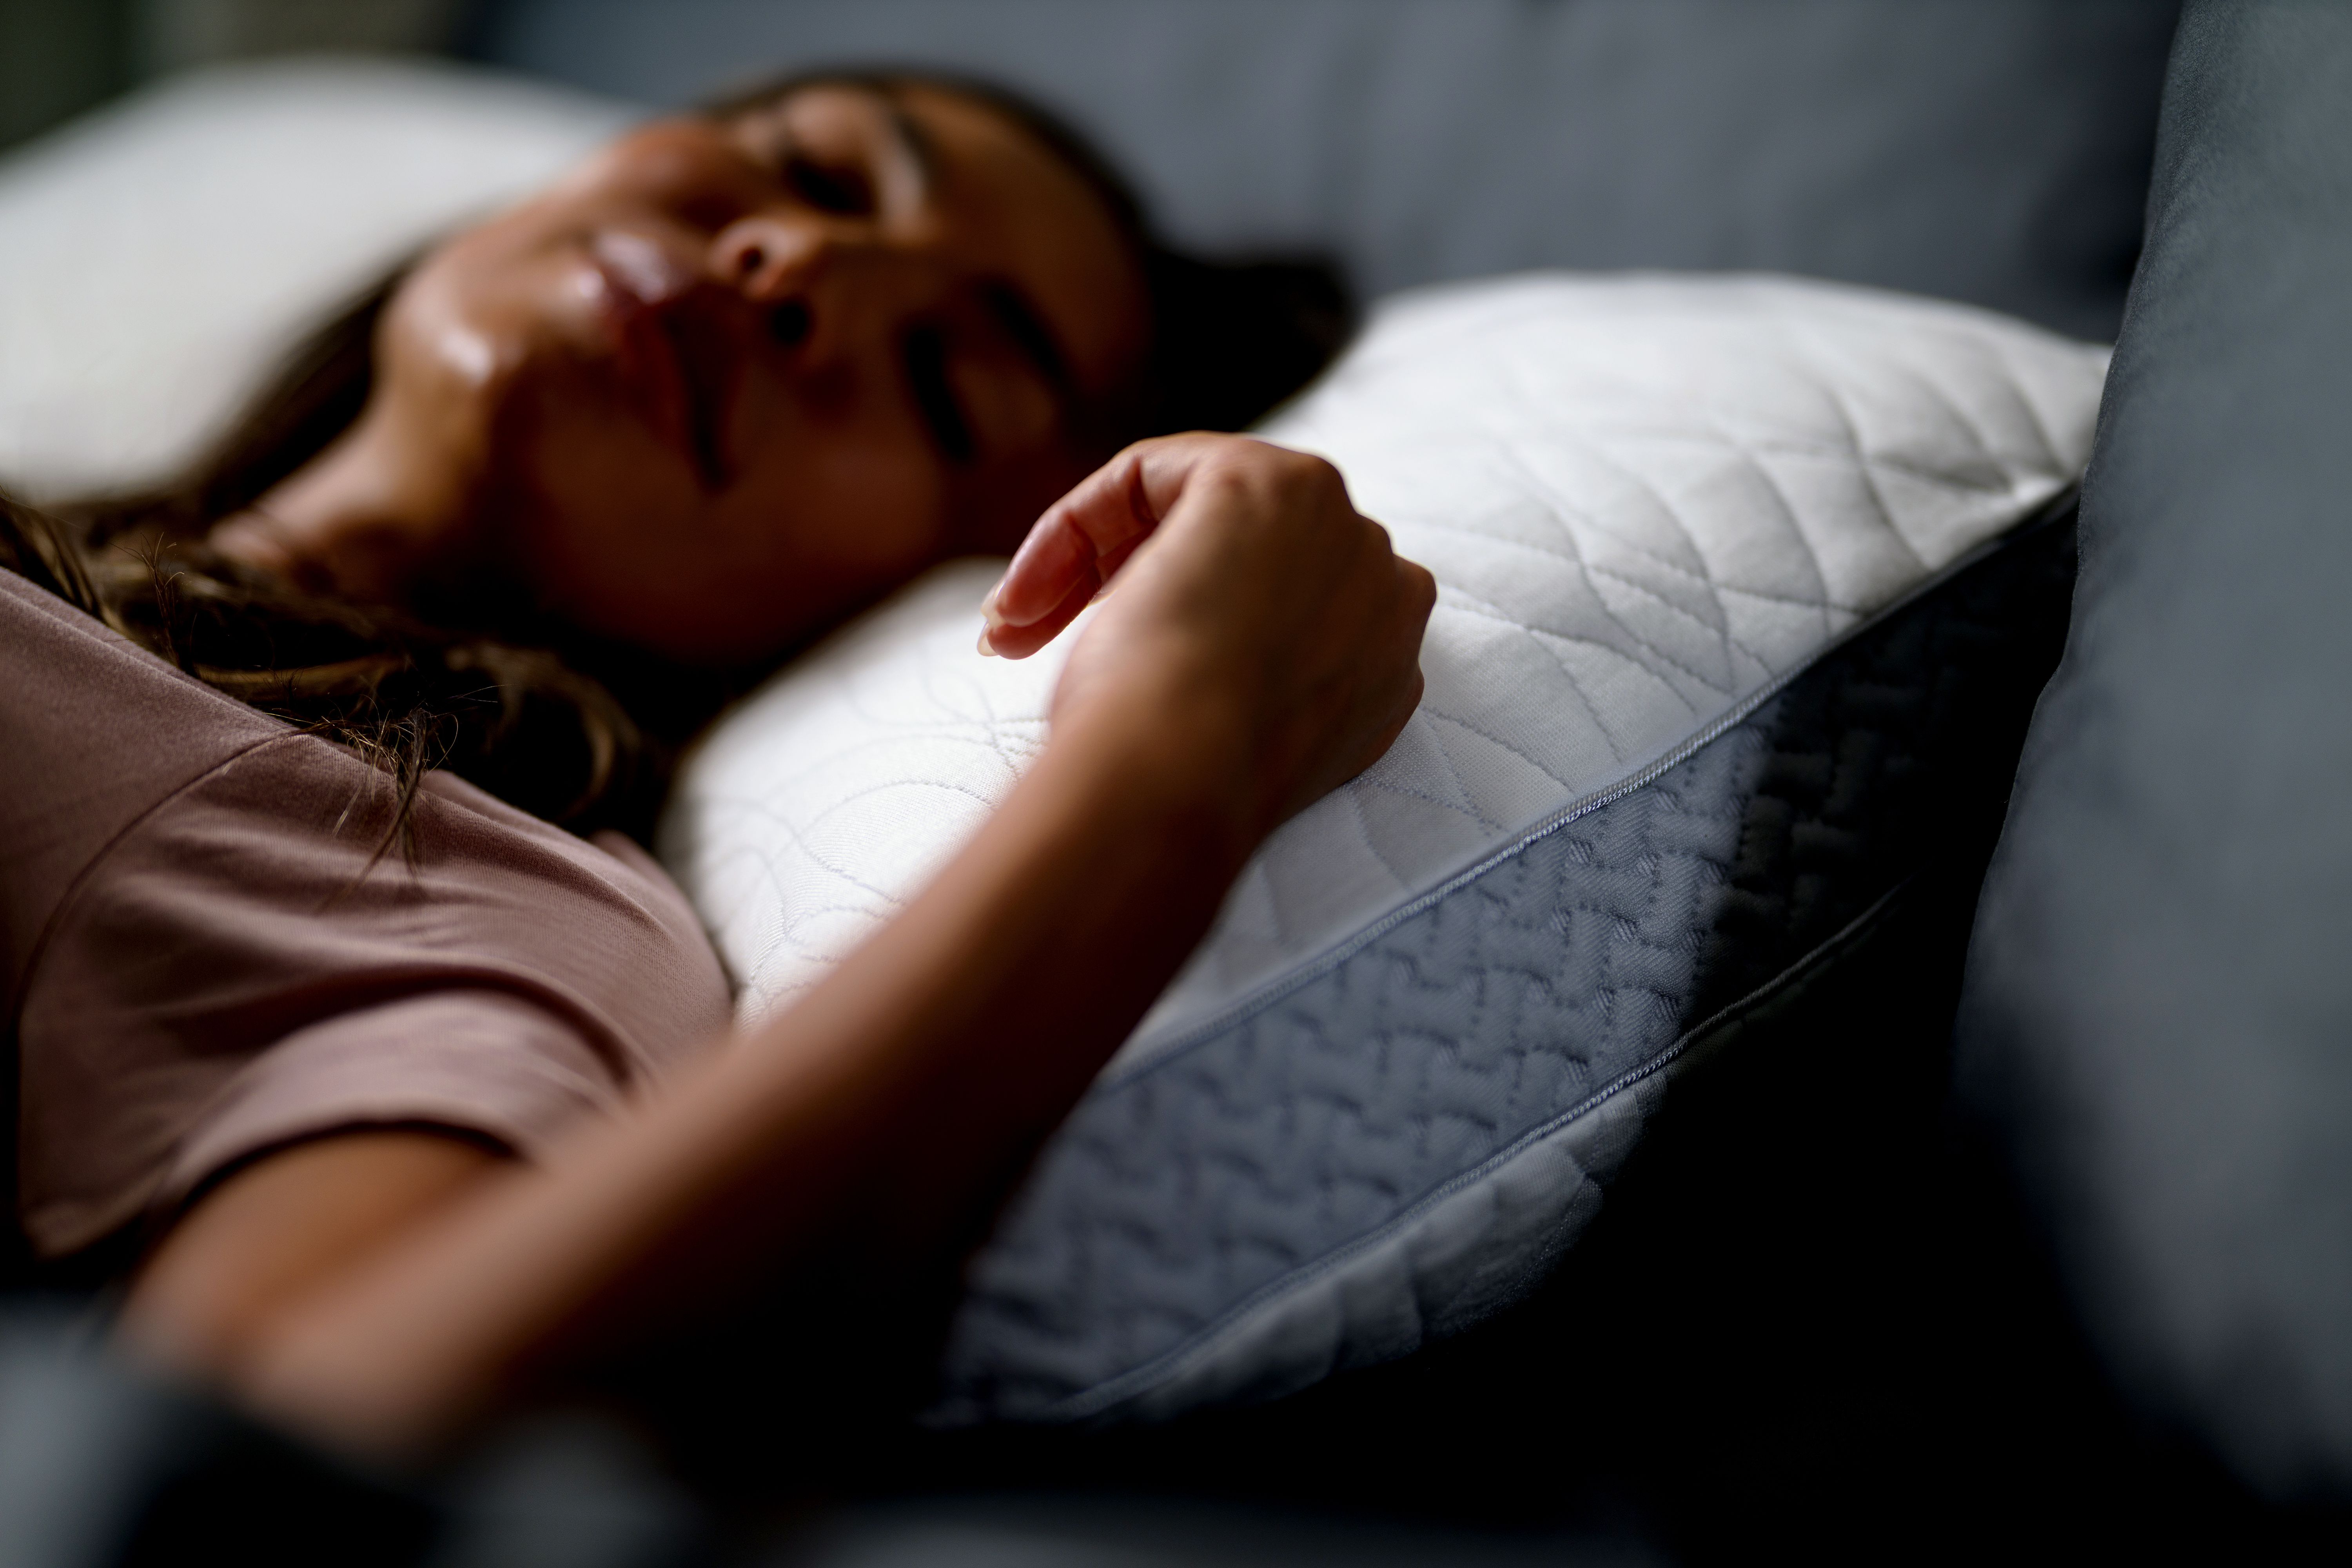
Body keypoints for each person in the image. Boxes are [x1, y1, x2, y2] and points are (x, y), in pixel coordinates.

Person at [0, 71, 1434, 1463]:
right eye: (809, 166)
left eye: (946, 386)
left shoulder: (454, 882)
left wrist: (1189, 733)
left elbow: (254, 1468)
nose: (798, 259)